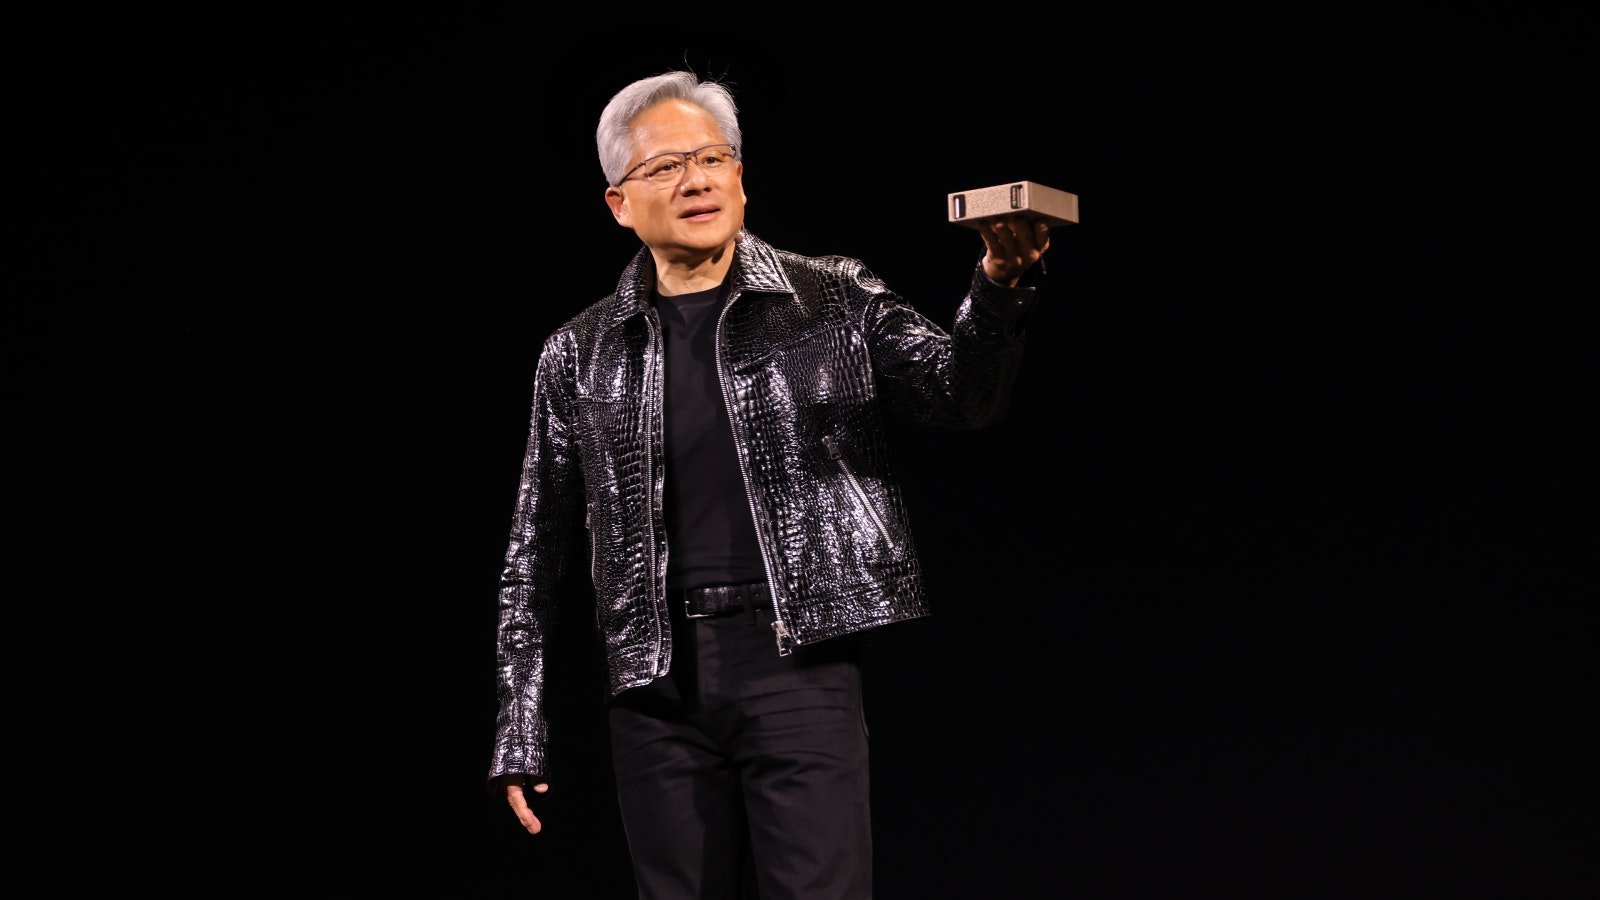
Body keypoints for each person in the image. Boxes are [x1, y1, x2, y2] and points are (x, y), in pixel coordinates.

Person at [488, 68, 1052, 899]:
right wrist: (519, 722)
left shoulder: (831, 296)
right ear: (619, 203)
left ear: (741, 177)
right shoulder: (579, 353)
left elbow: (962, 396)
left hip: (800, 662)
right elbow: (533, 553)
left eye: (713, 158)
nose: (696, 180)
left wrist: (998, 288)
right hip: (654, 683)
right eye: (665, 166)